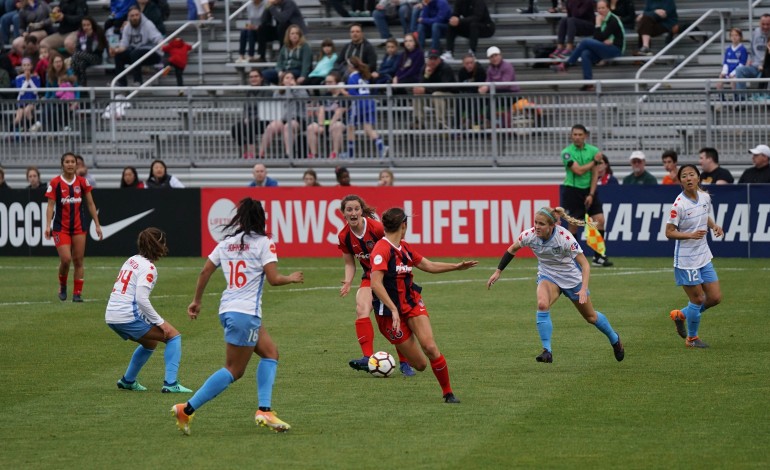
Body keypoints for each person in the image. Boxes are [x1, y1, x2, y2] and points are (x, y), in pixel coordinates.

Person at [172, 197, 304, 435]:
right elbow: (273, 279)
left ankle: (265, 409)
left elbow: (205, 271)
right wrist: (290, 278)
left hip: (229, 309)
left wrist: (197, 301)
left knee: (270, 353)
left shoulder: (226, 243)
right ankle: (187, 409)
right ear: (261, 218)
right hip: (245, 313)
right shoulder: (264, 242)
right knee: (234, 370)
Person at [487, 206, 625, 364]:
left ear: (552, 225)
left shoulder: (564, 238)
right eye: (535, 223)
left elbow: (585, 265)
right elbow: (512, 249)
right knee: (542, 304)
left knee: (591, 317)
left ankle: (615, 339)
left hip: (572, 279)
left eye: (541, 224)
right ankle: (547, 351)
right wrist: (498, 271)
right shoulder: (529, 235)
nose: (537, 227)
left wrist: (583, 288)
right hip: (548, 276)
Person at [370, 206, 478, 403]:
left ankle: (448, 393)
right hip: (388, 314)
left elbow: (426, 265)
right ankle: (402, 346)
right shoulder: (382, 249)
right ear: (404, 225)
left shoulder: (405, 247)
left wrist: (456, 267)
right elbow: (375, 282)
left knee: (430, 347)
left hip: (411, 303)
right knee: (420, 365)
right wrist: (393, 309)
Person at [105, 227, 192, 393]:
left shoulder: (132, 260)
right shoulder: (149, 268)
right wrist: (161, 323)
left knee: (150, 343)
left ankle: (128, 380)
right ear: (159, 246)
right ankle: (171, 384)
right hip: (127, 315)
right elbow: (141, 299)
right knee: (173, 336)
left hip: (111, 315)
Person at [337, 195, 414, 376]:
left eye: (356, 209)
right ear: (343, 213)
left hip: (391, 276)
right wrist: (348, 281)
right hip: (370, 276)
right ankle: (367, 357)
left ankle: (404, 362)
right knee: (361, 308)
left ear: (361, 211)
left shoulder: (376, 227)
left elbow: (396, 244)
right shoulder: (344, 236)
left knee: (394, 318)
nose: (353, 213)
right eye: (349, 210)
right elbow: (349, 263)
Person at [665, 164, 724, 348]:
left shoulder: (705, 197)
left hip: (704, 256)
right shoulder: (679, 205)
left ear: (698, 178)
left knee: (714, 298)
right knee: (697, 299)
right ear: (680, 181)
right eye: (684, 176)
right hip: (686, 260)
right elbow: (669, 232)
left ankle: (680, 314)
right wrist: (689, 235)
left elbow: (704, 214)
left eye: (692, 175)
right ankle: (692, 339)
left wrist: (714, 226)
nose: (689, 178)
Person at [44, 152, 103, 302]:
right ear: (62, 164)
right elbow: (50, 206)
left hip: (78, 227)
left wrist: (97, 224)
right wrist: (47, 225)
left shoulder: (83, 182)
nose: (70, 164)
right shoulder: (55, 182)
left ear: (76, 165)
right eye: (67, 162)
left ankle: (77, 294)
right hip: (60, 227)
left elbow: (90, 204)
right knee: (65, 259)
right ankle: (62, 286)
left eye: (73, 162)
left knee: (78, 260)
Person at [560, 124, 613, 267]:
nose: (577, 137)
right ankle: (574, 257)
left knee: (600, 220)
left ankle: (599, 256)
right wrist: (594, 161)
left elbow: (595, 173)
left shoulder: (593, 150)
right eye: (574, 134)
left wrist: (591, 193)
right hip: (572, 190)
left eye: (580, 134)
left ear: (585, 136)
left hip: (589, 190)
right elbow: (578, 171)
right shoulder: (566, 152)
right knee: (573, 225)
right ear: (571, 136)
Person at [555, 1, 625, 92]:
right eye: (599, 8)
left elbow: (601, 37)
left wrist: (598, 24)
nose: (600, 10)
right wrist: (601, 33)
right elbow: (597, 37)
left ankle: (567, 64)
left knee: (585, 42)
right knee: (585, 53)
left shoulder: (613, 20)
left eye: (603, 8)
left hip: (616, 49)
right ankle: (588, 84)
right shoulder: (601, 18)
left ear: (608, 8)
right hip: (604, 47)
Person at [345, 57, 388, 159]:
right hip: (369, 101)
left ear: (351, 67)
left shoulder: (352, 77)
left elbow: (352, 94)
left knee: (351, 127)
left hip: (359, 103)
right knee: (368, 127)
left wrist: (342, 91)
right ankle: (381, 146)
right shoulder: (363, 76)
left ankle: (350, 154)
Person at [109, 6, 163, 87]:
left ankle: (138, 81)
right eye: (132, 16)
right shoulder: (127, 27)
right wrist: (115, 50)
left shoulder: (148, 24)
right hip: (136, 55)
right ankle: (121, 83)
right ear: (129, 16)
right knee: (119, 56)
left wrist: (162, 45)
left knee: (135, 53)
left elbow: (158, 38)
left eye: (137, 15)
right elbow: (124, 44)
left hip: (152, 53)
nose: (135, 18)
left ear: (140, 15)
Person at [259, 71, 308, 159]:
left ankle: (289, 154)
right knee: (271, 127)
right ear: (282, 81)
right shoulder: (278, 92)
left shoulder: (300, 89)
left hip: (298, 119)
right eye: (287, 78)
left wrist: (294, 89)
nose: (290, 80)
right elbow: (276, 107)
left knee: (288, 126)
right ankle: (261, 154)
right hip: (282, 118)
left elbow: (306, 100)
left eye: (292, 78)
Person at [232, 69, 272, 159]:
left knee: (250, 126)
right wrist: (246, 117)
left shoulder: (267, 91)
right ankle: (245, 151)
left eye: (256, 76)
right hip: (250, 119)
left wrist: (253, 119)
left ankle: (252, 153)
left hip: (264, 119)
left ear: (261, 78)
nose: (253, 79)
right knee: (236, 128)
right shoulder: (248, 91)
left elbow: (266, 108)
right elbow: (246, 107)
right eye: (251, 77)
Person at [413, 48, 456, 131]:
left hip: (450, 96)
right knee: (417, 94)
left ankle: (442, 123)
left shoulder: (445, 68)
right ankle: (419, 122)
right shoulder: (425, 68)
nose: (432, 61)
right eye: (431, 59)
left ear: (439, 59)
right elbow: (421, 85)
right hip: (432, 96)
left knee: (437, 94)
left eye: (435, 59)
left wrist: (425, 90)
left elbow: (445, 87)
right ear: (427, 60)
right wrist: (426, 75)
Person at [306, 71, 347, 159]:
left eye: (330, 82)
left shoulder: (343, 96)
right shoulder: (325, 95)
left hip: (339, 122)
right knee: (311, 128)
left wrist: (331, 124)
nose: (327, 84)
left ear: (337, 83)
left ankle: (334, 153)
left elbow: (339, 112)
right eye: (326, 82)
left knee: (337, 126)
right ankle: (314, 154)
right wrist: (321, 125)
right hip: (325, 123)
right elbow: (321, 111)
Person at [734, 14, 770, 96]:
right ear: (759, 23)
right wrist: (750, 60)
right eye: (763, 24)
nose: (765, 26)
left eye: (768, 24)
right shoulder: (756, 32)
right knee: (739, 70)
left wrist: (763, 65)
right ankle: (741, 100)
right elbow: (751, 49)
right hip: (755, 66)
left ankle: (767, 100)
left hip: (767, 67)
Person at [43, 52, 78, 132]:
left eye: (60, 61)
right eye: (56, 62)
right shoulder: (49, 74)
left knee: (53, 108)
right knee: (49, 106)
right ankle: (55, 130)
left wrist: (76, 100)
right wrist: (45, 98)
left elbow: (76, 87)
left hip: (65, 100)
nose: (58, 64)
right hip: (54, 99)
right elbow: (48, 90)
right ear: (52, 64)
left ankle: (42, 123)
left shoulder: (68, 72)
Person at [70, 16, 106, 86]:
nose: (86, 27)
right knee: (81, 64)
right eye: (84, 25)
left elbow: (92, 50)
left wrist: (89, 37)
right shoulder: (80, 34)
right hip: (83, 58)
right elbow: (77, 48)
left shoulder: (97, 33)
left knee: (75, 55)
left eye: (88, 25)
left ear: (92, 25)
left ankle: (74, 75)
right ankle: (83, 88)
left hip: (96, 57)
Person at [456, 52, 485, 129]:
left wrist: (470, 87)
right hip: (466, 95)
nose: (469, 65)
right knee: (458, 101)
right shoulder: (461, 72)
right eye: (467, 63)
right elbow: (461, 87)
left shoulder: (480, 70)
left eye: (471, 63)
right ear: (463, 64)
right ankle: (457, 128)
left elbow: (481, 87)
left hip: (479, 96)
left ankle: (476, 129)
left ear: (474, 62)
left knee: (475, 103)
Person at [13, 56, 41, 132]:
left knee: (27, 110)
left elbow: (35, 91)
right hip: (21, 100)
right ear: (22, 67)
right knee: (18, 116)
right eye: (24, 65)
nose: (26, 67)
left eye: (28, 65)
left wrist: (29, 80)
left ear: (31, 66)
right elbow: (21, 92)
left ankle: (32, 127)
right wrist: (26, 80)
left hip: (32, 100)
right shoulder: (18, 78)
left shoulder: (36, 77)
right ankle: (12, 131)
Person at [716, 28, 748, 93]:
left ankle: (735, 98)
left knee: (733, 80)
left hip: (736, 73)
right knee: (720, 78)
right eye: (732, 35)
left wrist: (733, 73)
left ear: (740, 37)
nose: (734, 37)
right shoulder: (728, 50)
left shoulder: (742, 49)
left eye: (736, 35)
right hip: (728, 72)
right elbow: (725, 63)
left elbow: (742, 64)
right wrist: (724, 72)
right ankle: (721, 98)